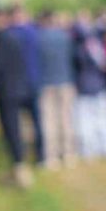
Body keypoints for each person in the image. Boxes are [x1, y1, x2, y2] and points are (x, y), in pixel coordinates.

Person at [0, 5, 45, 187]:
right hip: (26, 86)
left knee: (11, 127)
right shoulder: (23, 35)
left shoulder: (2, 37)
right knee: (32, 122)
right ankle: (38, 156)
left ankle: (20, 168)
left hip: (8, 89)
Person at [71, 10, 106, 160]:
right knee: (101, 118)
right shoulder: (92, 44)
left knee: (86, 120)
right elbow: (104, 64)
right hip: (97, 85)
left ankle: (89, 150)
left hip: (84, 85)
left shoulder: (76, 44)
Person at [36, 10, 76, 169]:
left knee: (48, 120)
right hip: (65, 81)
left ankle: (51, 157)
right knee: (66, 118)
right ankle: (68, 153)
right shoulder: (65, 37)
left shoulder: (38, 38)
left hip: (46, 83)